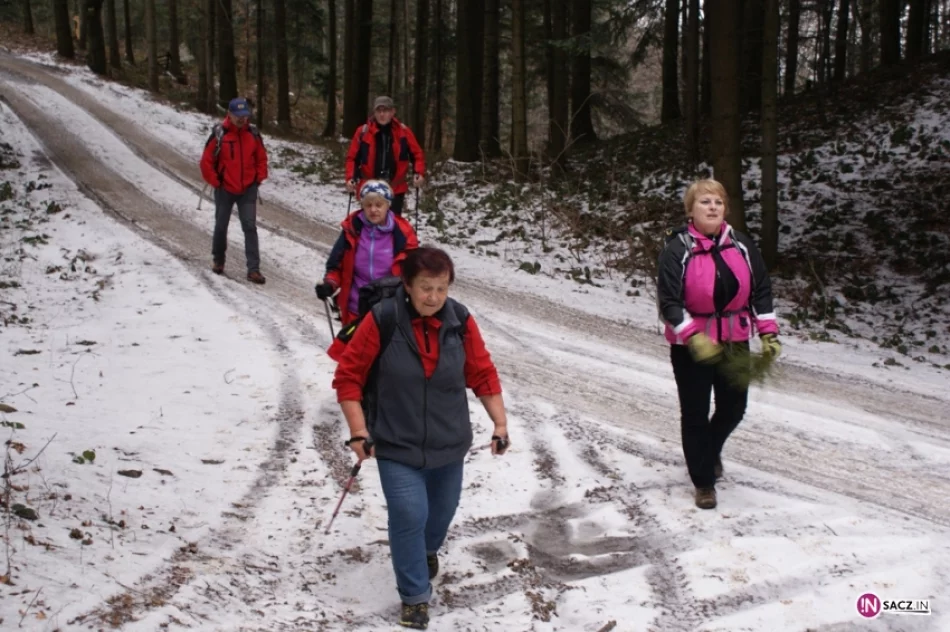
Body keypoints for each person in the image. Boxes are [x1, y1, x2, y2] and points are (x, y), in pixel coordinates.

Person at [332, 246, 510, 630]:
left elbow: (481, 373)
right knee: (409, 513)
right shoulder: (383, 319)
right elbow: (348, 377)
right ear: (408, 286)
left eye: (441, 289)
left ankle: (426, 551)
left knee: (440, 515)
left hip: (449, 443)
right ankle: (414, 596)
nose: (433, 297)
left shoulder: (460, 321)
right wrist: (359, 430)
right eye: (425, 288)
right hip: (396, 443)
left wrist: (499, 424)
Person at [656, 179, 781, 510]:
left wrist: (768, 331)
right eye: (704, 202)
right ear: (691, 210)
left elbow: (761, 289)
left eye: (718, 203)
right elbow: (669, 301)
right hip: (691, 346)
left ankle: (707, 453)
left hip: (735, 339)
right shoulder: (677, 248)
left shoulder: (741, 244)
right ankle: (703, 482)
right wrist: (693, 336)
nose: (712, 207)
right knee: (695, 413)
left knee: (734, 407)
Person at [315, 180, 419, 348]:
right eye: (368, 204)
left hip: (390, 309)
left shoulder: (403, 234)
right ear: (362, 205)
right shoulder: (352, 229)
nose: (373, 210)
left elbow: (415, 272)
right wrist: (330, 284)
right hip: (356, 307)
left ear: (388, 205)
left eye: (379, 204)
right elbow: (336, 265)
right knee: (354, 361)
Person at [199, 97, 268, 284]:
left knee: (250, 227)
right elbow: (206, 162)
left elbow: (262, 158)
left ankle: (254, 269)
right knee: (221, 226)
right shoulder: (220, 134)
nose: (241, 119)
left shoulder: (253, 134)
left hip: (248, 189)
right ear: (229, 114)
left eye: (244, 116)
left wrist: (258, 178)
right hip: (225, 189)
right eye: (238, 116)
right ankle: (218, 260)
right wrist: (216, 181)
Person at [345, 95, 425, 217]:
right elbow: (352, 158)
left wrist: (418, 172)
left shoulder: (403, 132)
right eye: (379, 111)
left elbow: (417, 154)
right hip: (369, 187)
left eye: (386, 110)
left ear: (393, 112)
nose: (382, 114)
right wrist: (351, 177)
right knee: (370, 226)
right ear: (374, 112)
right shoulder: (363, 132)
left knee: (393, 225)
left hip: (395, 188)